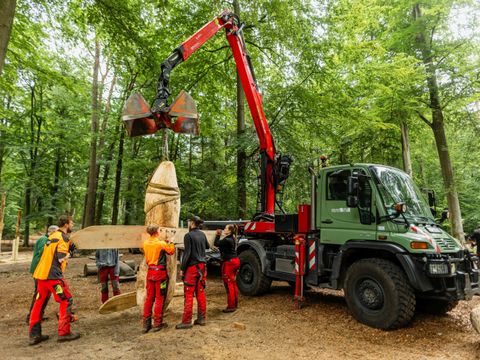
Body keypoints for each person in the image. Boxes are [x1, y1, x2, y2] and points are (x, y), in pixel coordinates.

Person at [28, 215, 80, 345]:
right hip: (53, 278)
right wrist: (71, 252)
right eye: (71, 223)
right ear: (66, 224)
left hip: (41, 276)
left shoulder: (51, 236)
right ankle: (64, 332)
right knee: (66, 300)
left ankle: (34, 335)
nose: (72, 225)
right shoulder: (63, 238)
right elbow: (61, 258)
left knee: (38, 303)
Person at [176, 215, 209, 329]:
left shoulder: (188, 235)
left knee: (189, 294)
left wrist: (182, 269)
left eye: (189, 222)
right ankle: (201, 318)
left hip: (192, 268)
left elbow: (187, 253)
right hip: (202, 267)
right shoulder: (202, 234)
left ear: (192, 223)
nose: (188, 224)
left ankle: (186, 321)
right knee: (200, 293)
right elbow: (207, 246)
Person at [142, 224, 175, 333]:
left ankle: (146, 325)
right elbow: (171, 251)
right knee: (160, 297)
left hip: (150, 272)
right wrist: (171, 241)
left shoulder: (145, 243)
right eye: (160, 230)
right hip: (160, 274)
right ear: (156, 232)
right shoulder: (160, 244)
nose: (161, 232)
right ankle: (157, 323)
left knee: (149, 298)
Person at [26, 225, 58, 324]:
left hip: (44, 271)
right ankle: (31, 317)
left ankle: (38, 315)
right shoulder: (44, 239)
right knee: (39, 294)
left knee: (45, 294)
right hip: (39, 270)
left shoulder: (47, 239)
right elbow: (43, 253)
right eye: (57, 232)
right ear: (52, 232)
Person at [214, 224, 240, 313]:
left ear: (229, 231)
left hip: (230, 262)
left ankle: (231, 306)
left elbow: (216, 243)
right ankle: (235, 304)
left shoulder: (227, 239)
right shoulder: (232, 237)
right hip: (235, 260)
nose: (224, 229)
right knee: (232, 283)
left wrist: (217, 235)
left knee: (229, 285)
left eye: (225, 228)